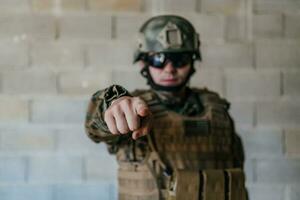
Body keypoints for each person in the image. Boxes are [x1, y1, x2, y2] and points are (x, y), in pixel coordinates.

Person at [85, 15, 247, 200]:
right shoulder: (132, 110)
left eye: (179, 59)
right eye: (158, 59)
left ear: (193, 61)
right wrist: (111, 103)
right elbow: (95, 127)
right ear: (143, 62)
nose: (169, 69)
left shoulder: (217, 108)